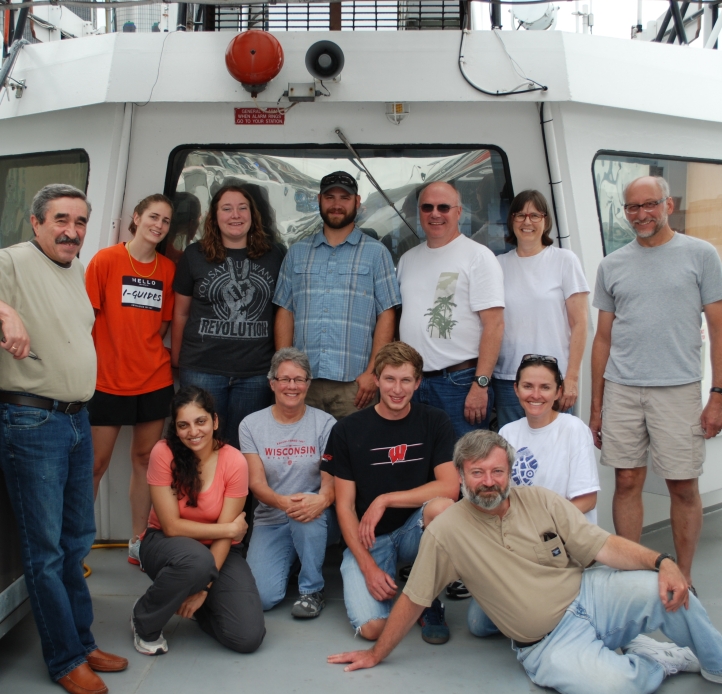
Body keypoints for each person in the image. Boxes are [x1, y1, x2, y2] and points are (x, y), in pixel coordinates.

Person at [329, 430, 722, 693]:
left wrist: (662, 561)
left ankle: (715, 662)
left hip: (591, 595)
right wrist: (376, 653)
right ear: (462, 477)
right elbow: (414, 599)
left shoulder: (542, 499)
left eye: (497, 471)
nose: (488, 481)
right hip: (548, 641)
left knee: (667, 588)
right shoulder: (446, 531)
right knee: (614, 687)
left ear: (510, 472)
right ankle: (655, 660)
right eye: (477, 472)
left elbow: (603, 547)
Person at [0, 184, 127, 694]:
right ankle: (65, 659)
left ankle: (82, 638)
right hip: (32, 423)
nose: (71, 231)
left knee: (77, 541)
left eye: (79, 221)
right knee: (46, 550)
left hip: (77, 419)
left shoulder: (76, 269)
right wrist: (5, 313)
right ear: (36, 223)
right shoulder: (11, 261)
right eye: (60, 220)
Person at [590, 175, 722, 589]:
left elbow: (718, 329)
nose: (641, 214)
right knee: (627, 481)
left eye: (650, 205)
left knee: (683, 486)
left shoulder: (701, 255)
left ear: (669, 205)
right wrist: (597, 406)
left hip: (679, 388)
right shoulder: (612, 265)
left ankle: (683, 576)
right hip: (623, 389)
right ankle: (634, 578)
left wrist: (717, 395)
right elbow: (603, 338)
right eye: (632, 207)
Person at [321, 342, 459, 643]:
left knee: (443, 509)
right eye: (390, 379)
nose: (397, 389)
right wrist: (368, 567)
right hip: (371, 538)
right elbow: (344, 507)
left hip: (415, 531)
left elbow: (450, 487)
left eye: (406, 380)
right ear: (376, 380)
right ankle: (381, 576)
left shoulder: (434, 421)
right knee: (373, 629)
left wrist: (385, 499)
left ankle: (429, 601)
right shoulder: (348, 429)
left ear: (418, 382)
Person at [131, 386, 265, 655]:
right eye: (183, 425)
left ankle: (195, 603)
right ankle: (144, 620)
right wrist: (229, 528)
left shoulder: (235, 461)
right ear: (176, 428)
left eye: (200, 421)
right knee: (196, 561)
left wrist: (204, 590)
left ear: (214, 421)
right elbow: (171, 526)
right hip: (166, 544)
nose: (193, 432)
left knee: (247, 637)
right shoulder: (164, 453)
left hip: (218, 549)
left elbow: (225, 539)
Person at [86, 193, 176, 566]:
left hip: (154, 380)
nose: (159, 225)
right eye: (153, 216)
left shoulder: (168, 269)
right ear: (136, 218)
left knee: (144, 460)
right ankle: (75, 546)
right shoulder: (106, 260)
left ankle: (138, 542)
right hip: (106, 381)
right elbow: (85, 319)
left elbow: (164, 324)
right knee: (94, 465)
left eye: (166, 221)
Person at [273, 170, 401, 419]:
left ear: (357, 202)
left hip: (355, 385)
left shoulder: (377, 253)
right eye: (330, 197)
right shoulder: (297, 252)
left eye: (344, 197)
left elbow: (386, 314)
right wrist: (284, 371)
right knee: (301, 455)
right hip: (301, 384)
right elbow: (285, 311)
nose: (336, 204)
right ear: (319, 200)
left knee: (354, 454)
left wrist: (372, 373)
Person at [171, 184, 285, 450]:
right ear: (215, 216)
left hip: (255, 373)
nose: (235, 215)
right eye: (227, 208)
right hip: (202, 369)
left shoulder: (275, 255)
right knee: (200, 446)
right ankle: (203, 494)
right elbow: (181, 312)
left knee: (244, 448)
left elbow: (283, 311)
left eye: (242, 208)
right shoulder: (194, 255)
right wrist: (177, 358)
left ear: (252, 215)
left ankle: (237, 494)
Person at [396, 181, 505, 438]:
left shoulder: (478, 257)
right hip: (413, 383)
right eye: (427, 207)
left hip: (459, 384)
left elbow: (495, 325)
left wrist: (480, 385)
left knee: (464, 467)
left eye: (443, 207)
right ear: (419, 212)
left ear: (458, 211)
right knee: (421, 467)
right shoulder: (407, 259)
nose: (435, 214)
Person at [240, 348, 337, 618]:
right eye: (284, 379)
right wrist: (284, 503)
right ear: (272, 383)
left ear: (308, 384)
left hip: (315, 517)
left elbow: (330, 482)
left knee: (306, 508)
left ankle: (312, 589)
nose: (291, 386)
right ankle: (295, 559)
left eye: (299, 379)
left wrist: (321, 499)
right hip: (272, 517)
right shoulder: (251, 425)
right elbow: (256, 484)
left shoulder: (325, 423)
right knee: (262, 598)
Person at [493, 190, 589, 429]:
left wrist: (572, 378)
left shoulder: (565, 260)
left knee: (556, 455)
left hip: (553, 381)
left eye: (535, 215)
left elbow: (580, 324)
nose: (527, 222)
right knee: (513, 457)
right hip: (509, 381)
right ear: (511, 220)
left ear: (546, 222)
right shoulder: (497, 265)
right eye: (520, 215)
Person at [499, 354, 599, 522]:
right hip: (523, 531)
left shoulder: (573, 429)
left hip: (567, 533)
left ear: (558, 392)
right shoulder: (507, 432)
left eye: (545, 387)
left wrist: (542, 522)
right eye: (528, 386)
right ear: (516, 389)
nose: (536, 395)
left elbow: (587, 501)